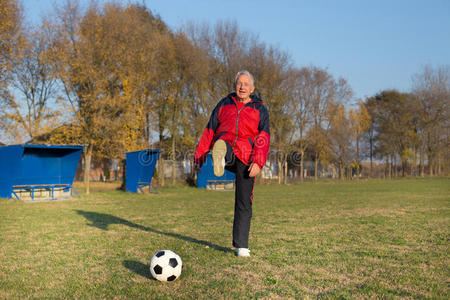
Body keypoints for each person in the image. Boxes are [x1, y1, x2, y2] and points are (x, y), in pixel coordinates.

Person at [194, 70, 270, 257]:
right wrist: (199, 157)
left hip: (247, 158)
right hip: (227, 149)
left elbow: (263, 138)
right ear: (235, 86)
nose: (242, 87)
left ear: (252, 89)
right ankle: (220, 156)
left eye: (246, 84)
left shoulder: (260, 109)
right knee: (222, 145)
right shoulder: (223, 104)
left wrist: (258, 162)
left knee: (244, 201)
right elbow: (209, 131)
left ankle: (241, 245)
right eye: (239, 83)